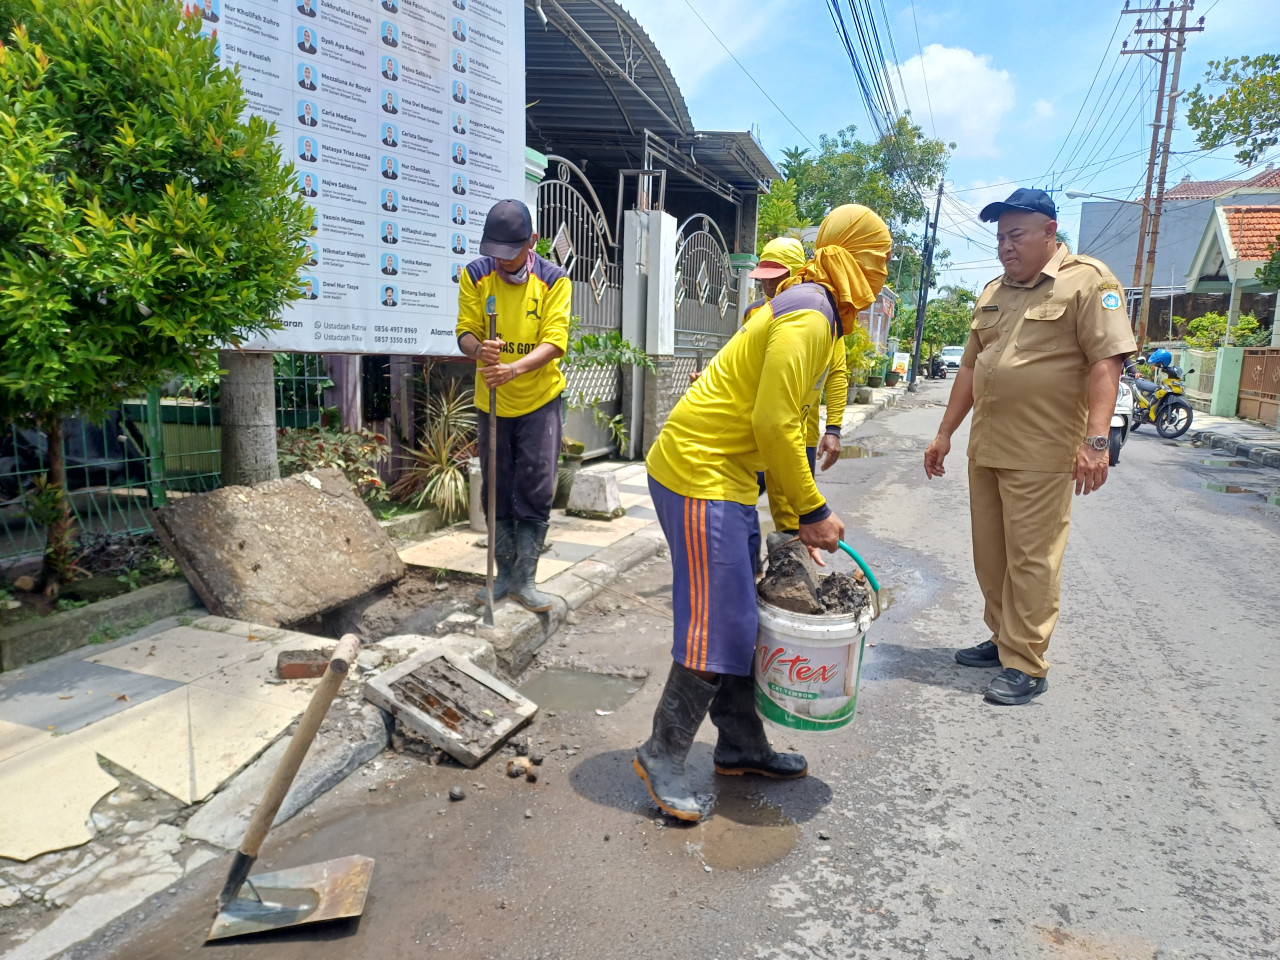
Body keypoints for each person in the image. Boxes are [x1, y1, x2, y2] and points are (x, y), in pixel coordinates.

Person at [636, 204, 890, 822]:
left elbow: (792, 432)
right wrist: (814, 510)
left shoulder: (819, 315)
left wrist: (792, 522)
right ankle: (662, 751)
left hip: (726, 476)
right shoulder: (809, 316)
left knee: (740, 615)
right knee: (716, 623)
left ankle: (740, 744)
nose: (881, 275)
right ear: (852, 258)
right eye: (878, 261)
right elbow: (773, 423)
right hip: (698, 472)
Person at [923, 188, 1137, 706]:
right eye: (1000, 237)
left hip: (1042, 449)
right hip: (987, 445)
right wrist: (945, 433)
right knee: (991, 554)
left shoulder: (1089, 282)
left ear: (1049, 232)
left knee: (1032, 558)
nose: (1005, 246)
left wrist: (1096, 441)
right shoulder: (994, 290)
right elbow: (970, 367)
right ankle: (1004, 638)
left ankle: (1026, 661)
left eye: (1016, 235)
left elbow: (1107, 361)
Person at [455, 200, 571, 613]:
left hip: (539, 400)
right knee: (496, 486)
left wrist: (513, 369)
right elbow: (465, 332)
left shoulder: (554, 280)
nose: (503, 262)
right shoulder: (476, 274)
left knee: (536, 486)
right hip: (492, 401)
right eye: (496, 252)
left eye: (511, 252)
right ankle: (503, 576)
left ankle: (526, 580)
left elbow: (555, 341)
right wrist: (478, 350)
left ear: (532, 241)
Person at [751, 238, 848, 533]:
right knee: (738, 505)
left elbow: (837, 374)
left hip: (800, 434)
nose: (768, 286)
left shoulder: (823, 316)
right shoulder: (757, 314)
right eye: (764, 278)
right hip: (758, 430)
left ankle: (792, 556)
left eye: (776, 277)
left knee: (793, 516)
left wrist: (833, 429)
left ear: (795, 273)